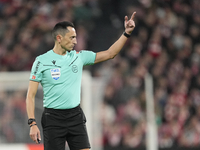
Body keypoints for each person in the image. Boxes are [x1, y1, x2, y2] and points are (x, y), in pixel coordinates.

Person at [26, 11, 136, 150]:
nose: (75, 41)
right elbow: (30, 95)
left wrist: (126, 33)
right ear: (59, 38)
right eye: (72, 38)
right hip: (53, 119)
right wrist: (32, 124)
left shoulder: (79, 57)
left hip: (75, 116)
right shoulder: (41, 61)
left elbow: (110, 53)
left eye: (75, 37)